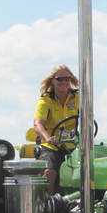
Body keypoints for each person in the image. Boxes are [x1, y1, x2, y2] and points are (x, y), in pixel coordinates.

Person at [33, 65, 80, 194]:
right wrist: (48, 138)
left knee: (89, 168)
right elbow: (38, 124)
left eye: (67, 79)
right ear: (53, 81)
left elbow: (88, 118)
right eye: (60, 79)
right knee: (50, 171)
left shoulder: (78, 98)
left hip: (73, 146)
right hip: (52, 146)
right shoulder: (45, 100)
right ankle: (49, 204)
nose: (64, 82)